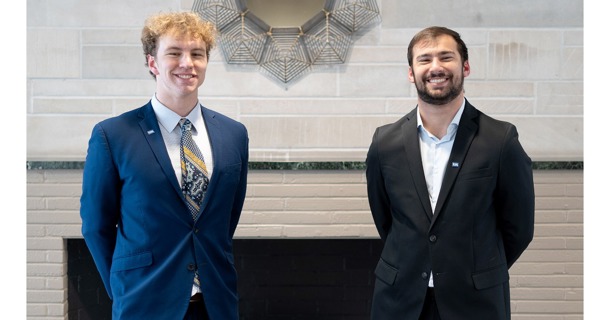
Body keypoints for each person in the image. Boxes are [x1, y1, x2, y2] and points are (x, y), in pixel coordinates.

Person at [80, 11, 249, 320]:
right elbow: (95, 226)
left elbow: (224, 221)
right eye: (175, 53)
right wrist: (123, 289)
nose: (188, 63)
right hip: (144, 303)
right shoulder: (113, 135)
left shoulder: (234, 135)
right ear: (152, 62)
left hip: (216, 304)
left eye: (197, 54)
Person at [365, 26, 535, 320]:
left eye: (446, 57)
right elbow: (387, 222)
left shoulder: (500, 140)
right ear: (410, 73)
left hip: (474, 302)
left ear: (465, 66)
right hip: (399, 301)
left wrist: (479, 268)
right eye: (424, 59)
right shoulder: (384, 143)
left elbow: (519, 228)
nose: (436, 67)